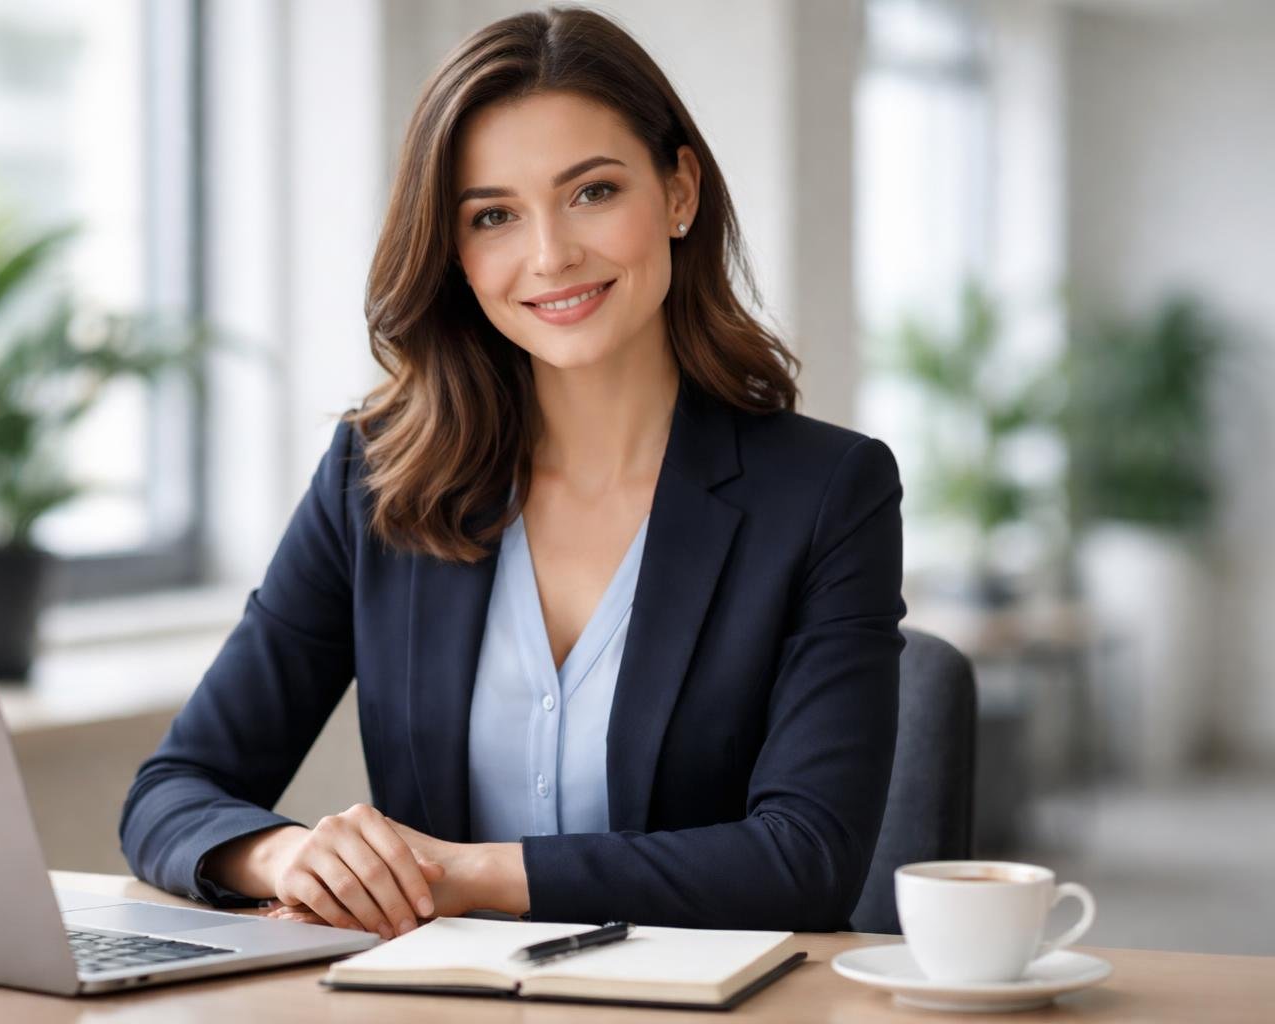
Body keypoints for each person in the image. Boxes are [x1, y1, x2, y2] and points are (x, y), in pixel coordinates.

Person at [119, 5, 905, 938]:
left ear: (679, 190)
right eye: (493, 215)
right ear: (454, 253)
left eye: (593, 192)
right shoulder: (377, 479)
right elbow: (173, 792)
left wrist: (471, 874)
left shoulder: (827, 494)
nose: (549, 255)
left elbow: (804, 860)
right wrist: (286, 854)